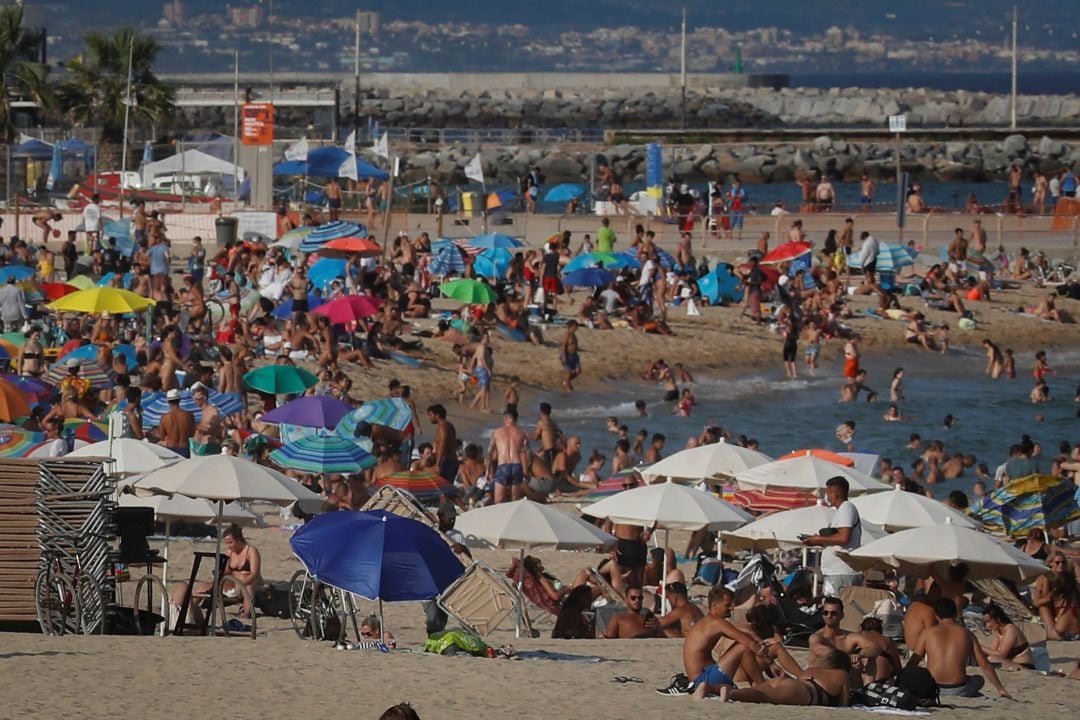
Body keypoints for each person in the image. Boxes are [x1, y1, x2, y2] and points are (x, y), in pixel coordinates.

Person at [655, 586, 766, 697]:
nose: (731, 608)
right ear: (714, 605)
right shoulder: (717, 622)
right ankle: (762, 686)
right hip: (704, 679)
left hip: (700, 677)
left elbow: (743, 635)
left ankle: (758, 685)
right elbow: (747, 642)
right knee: (743, 647)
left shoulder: (706, 621)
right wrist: (768, 659)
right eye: (727, 605)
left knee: (743, 646)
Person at [907, 597, 1011, 699]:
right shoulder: (967, 634)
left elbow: (914, 661)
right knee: (979, 679)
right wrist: (1000, 689)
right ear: (955, 614)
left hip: (933, 687)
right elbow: (984, 664)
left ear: (936, 616)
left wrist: (902, 680)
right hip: (958, 688)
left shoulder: (927, 633)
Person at [171, 523, 262, 624]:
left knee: (249, 588)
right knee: (204, 587)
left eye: (230, 542)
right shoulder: (230, 552)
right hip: (233, 582)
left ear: (238, 540)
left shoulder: (251, 551)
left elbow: (255, 574)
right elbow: (227, 572)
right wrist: (219, 573)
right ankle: (188, 606)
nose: (228, 545)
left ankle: (246, 614)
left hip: (251, 582)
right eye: (227, 543)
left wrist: (242, 584)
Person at [721, 649, 852, 706]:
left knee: (759, 691)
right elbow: (843, 704)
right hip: (804, 692)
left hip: (791, 683)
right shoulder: (842, 674)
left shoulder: (812, 669)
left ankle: (711, 688)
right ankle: (732, 693)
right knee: (763, 696)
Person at [804, 477, 862, 595]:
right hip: (836, 572)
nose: (827, 497)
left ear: (835, 493)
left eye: (828, 493)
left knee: (836, 608)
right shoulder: (841, 511)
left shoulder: (846, 507)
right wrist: (818, 541)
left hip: (841, 572)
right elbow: (838, 538)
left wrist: (819, 539)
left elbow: (844, 537)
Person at [487, 408, 529, 504]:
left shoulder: (497, 432)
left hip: (503, 465)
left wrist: (488, 471)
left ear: (506, 419)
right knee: (515, 500)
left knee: (498, 500)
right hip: (516, 465)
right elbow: (528, 454)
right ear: (516, 419)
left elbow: (490, 452)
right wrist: (527, 472)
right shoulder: (522, 434)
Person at [980, 604, 1036, 671]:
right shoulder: (999, 632)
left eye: (988, 622)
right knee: (988, 658)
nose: (987, 625)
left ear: (998, 619)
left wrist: (982, 648)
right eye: (985, 623)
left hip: (1025, 666)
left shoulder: (1011, 630)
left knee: (991, 659)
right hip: (1011, 664)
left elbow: (1002, 654)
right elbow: (993, 651)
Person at [158, 388, 195, 458]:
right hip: (184, 448)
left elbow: (162, 436)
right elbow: (192, 433)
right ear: (179, 400)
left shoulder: (164, 417)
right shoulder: (189, 415)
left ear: (168, 401)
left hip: (170, 448)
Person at [427, 404, 459, 485]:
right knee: (446, 489)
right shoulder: (448, 425)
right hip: (450, 460)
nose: (429, 417)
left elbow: (442, 445)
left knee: (442, 489)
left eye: (430, 415)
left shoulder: (443, 427)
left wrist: (438, 464)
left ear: (437, 415)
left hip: (446, 461)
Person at [560, 319, 581, 392]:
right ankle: (567, 386)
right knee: (568, 372)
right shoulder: (567, 334)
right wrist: (563, 357)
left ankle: (566, 381)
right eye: (576, 326)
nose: (577, 328)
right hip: (567, 355)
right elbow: (563, 346)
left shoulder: (573, 334)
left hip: (574, 355)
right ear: (572, 326)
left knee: (578, 371)